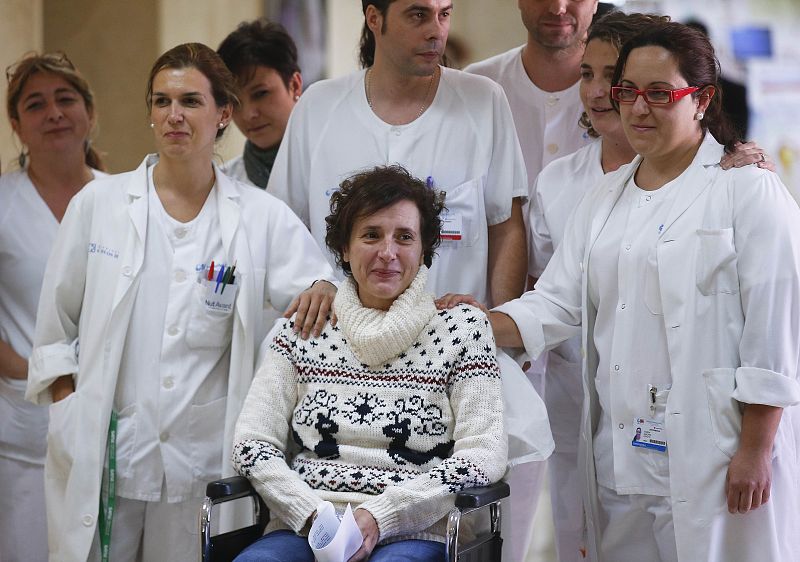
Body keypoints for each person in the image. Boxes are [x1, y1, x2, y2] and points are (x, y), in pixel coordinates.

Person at [489, 21, 800, 562]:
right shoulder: (605, 197)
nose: (637, 108)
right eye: (627, 91)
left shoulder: (746, 190)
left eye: (659, 93)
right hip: (621, 459)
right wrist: (469, 323)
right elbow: (556, 302)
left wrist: (755, 450)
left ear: (701, 100)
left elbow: (775, 330)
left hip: (713, 455)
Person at [26, 43, 337, 562]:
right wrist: (69, 402)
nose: (174, 116)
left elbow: (319, 295)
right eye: (162, 101)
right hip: (108, 454)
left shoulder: (260, 216)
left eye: (191, 101)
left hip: (202, 463)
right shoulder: (99, 206)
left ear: (223, 115)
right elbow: (55, 326)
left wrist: (326, 285)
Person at [231, 165, 507, 562]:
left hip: (417, 530)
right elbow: (251, 444)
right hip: (308, 527)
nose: (388, 253)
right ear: (344, 247)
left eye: (405, 237)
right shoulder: (302, 329)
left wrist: (382, 515)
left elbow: (483, 454)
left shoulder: (462, 328)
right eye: (371, 235)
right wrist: (311, 514)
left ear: (424, 250)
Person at [268, 0, 528, 310]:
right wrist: (313, 282)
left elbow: (505, 228)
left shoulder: (484, 101)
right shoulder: (318, 107)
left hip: (449, 346)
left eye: (444, 14)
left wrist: (500, 334)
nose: (436, 31)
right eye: (418, 15)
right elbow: (282, 230)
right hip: (340, 343)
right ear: (375, 19)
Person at [0, 51, 106, 562]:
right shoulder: (2, 203)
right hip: (24, 432)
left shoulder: (126, 200)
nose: (54, 113)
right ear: (16, 124)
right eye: (36, 104)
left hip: (113, 426)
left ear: (89, 112)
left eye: (66, 99)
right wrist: (35, 371)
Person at [217, 19, 303, 188]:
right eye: (235, 102)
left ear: (294, 85)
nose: (249, 114)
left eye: (260, 94)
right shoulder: (221, 184)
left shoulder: (336, 164)